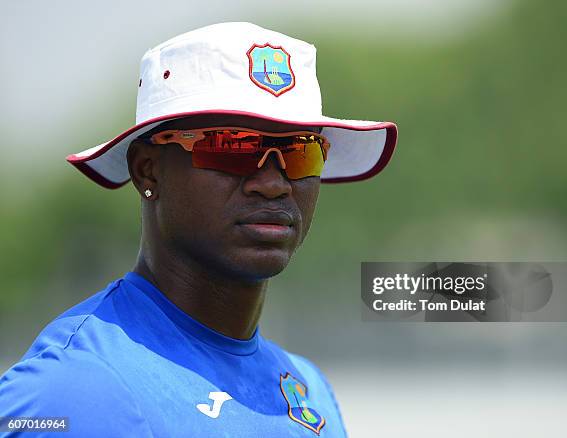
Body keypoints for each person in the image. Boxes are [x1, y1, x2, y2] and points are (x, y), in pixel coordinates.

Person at [0, 22, 397, 437]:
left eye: (301, 151)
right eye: (233, 146)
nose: (274, 182)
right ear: (147, 169)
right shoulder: (72, 391)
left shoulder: (309, 391)